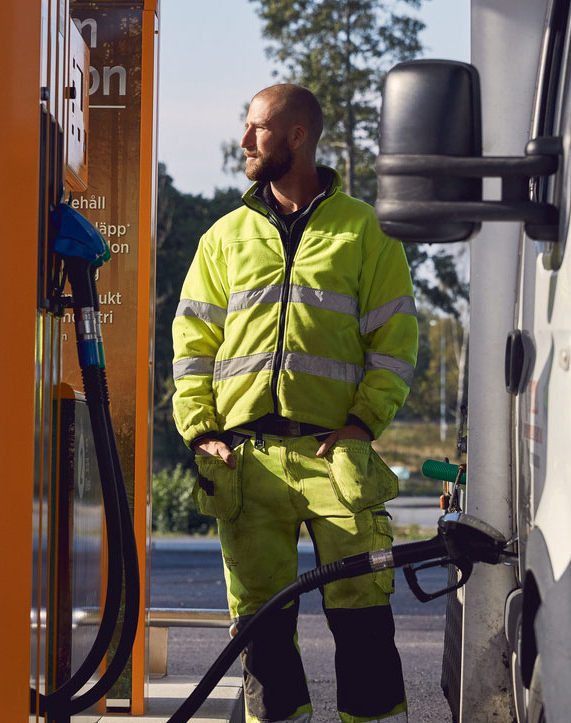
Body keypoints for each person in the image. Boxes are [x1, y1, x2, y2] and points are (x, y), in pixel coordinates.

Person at [171, 84, 418, 723]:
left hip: (336, 456)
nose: (246, 140)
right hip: (245, 462)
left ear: (297, 136)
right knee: (261, 631)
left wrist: (364, 423)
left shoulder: (365, 230)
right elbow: (192, 345)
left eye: (257, 128)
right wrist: (201, 433)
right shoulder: (223, 238)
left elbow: (396, 343)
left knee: (362, 619)